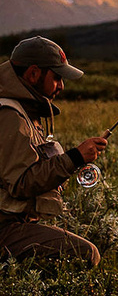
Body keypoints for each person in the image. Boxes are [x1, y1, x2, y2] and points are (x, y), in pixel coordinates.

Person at [0, 36, 109, 267]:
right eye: (57, 77)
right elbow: (21, 183)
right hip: (4, 227)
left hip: (15, 222)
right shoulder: (9, 115)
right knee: (86, 254)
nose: (61, 86)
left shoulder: (24, 110)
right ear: (33, 74)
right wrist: (75, 158)